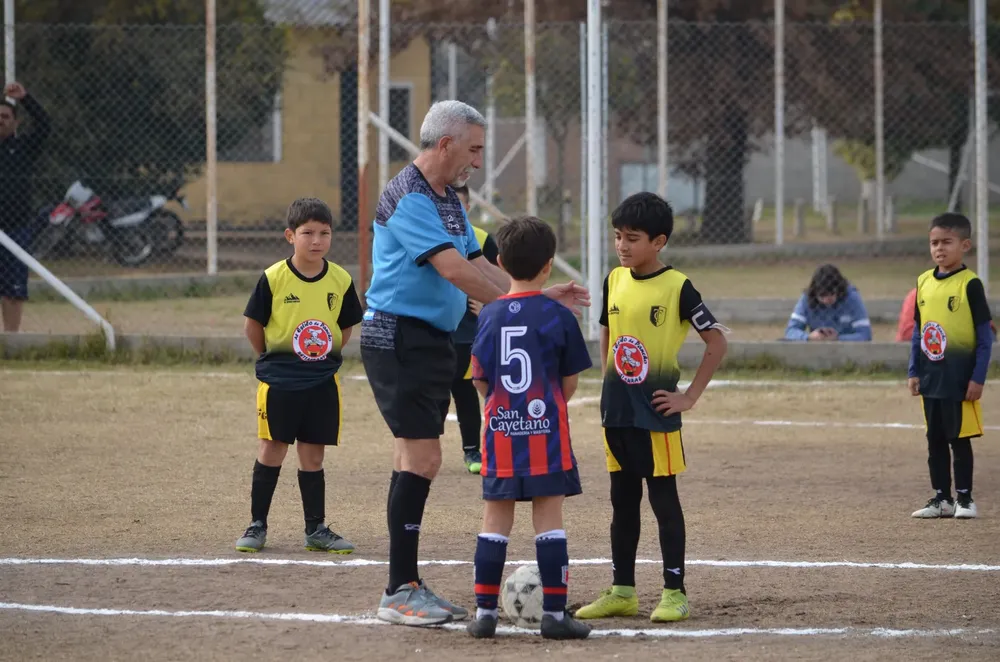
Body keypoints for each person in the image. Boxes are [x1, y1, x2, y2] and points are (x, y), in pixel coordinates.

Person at [360, 100, 589, 627]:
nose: (478, 161)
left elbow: (482, 261)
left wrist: (532, 295)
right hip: (399, 338)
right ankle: (399, 591)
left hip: (426, 340)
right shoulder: (408, 196)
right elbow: (454, 270)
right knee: (422, 461)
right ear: (445, 144)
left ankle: (406, 585)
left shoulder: (445, 198)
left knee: (411, 461)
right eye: (475, 148)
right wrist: (524, 305)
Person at [575, 192, 727, 624]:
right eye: (618, 236)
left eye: (633, 238)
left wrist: (689, 397)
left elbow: (716, 341)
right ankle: (622, 590)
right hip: (616, 412)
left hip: (655, 415)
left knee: (663, 500)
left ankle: (675, 592)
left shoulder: (678, 287)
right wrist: (609, 382)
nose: (622, 245)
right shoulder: (613, 280)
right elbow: (607, 331)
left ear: (658, 241)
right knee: (622, 500)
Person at [465, 216, 593, 641]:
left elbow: (480, 377)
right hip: (546, 435)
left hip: (500, 434)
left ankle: (484, 613)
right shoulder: (559, 315)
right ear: (549, 266)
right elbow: (570, 379)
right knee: (549, 519)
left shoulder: (489, 314)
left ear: (500, 262)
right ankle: (555, 615)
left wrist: (504, 407)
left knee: (494, 521)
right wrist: (546, 407)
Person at [235, 198, 364, 554]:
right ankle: (257, 525)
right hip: (280, 380)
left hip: (322, 381)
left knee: (313, 456)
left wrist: (325, 357)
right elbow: (253, 325)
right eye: (307, 233)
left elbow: (345, 326)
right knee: (272, 449)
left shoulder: (340, 279)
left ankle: (316, 529)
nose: (316, 240)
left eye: (324, 233)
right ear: (290, 236)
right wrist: (274, 358)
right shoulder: (274, 278)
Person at [908, 213, 991, 520]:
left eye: (947, 242)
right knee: (935, 439)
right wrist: (913, 371)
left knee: (960, 439)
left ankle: (965, 499)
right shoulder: (923, 282)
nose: (939, 248)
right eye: (934, 243)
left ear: (964, 245)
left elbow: (985, 337)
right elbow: (918, 332)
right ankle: (941, 498)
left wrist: (977, 378)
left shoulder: (970, 285)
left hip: (960, 379)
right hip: (931, 377)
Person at [450, 184, 498, 474]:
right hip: (437, 330)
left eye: (460, 206)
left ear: (468, 208)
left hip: (470, 333)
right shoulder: (428, 238)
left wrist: (488, 307)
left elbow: (503, 281)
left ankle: (472, 450)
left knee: (466, 391)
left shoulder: (481, 240)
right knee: (433, 395)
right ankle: (422, 448)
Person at [0, 82, 50, 332]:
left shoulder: (23, 149)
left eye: (5, 116)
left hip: (16, 230)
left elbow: (45, 126)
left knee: (13, 292)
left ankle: (10, 341)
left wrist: (25, 98)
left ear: (15, 122)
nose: (1, 120)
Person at [783, 264, 872, 342]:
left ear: (839, 290)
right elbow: (790, 331)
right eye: (822, 295)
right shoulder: (807, 298)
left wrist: (838, 338)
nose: (826, 300)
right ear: (815, 292)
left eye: (831, 295)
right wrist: (809, 337)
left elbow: (865, 334)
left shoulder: (852, 297)